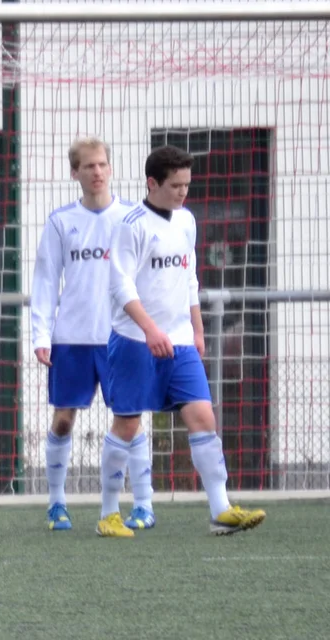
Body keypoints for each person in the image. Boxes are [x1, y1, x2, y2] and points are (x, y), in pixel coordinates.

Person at [98, 145, 266, 537]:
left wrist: (198, 329)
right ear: (152, 183)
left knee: (203, 417)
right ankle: (108, 514)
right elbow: (120, 286)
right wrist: (150, 330)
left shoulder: (187, 221)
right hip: (134, 341)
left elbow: (189, 278)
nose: (183, 192)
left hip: (181, 343)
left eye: (187, 185)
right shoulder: (131, 225)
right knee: (127, 425)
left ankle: (220, 510)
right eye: (175, 185)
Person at [31, 137, 155, 531]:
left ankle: (144, 505)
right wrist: (41, 335)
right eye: (88, 166)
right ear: (75, 173)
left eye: (102, 164)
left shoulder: (133, 217)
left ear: (110, 168)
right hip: (72, 338)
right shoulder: (60, 222)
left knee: (130, 420)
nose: (97, 172)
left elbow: (149, 279)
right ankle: (56, 504)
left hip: (122, 337)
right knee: (63, 420)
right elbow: (45, 281)